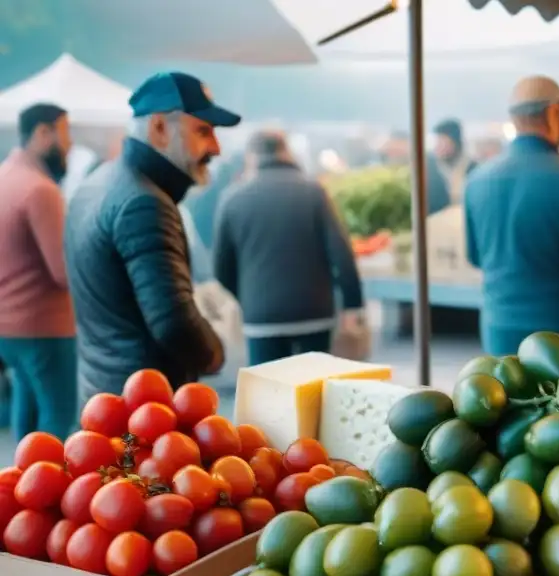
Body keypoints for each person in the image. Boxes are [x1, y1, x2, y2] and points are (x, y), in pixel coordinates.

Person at [65, 72, 233, 404]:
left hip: (105, 391)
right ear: (159, 128)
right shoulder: (144, 201)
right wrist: (215, 353)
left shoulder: (98, 182)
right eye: (203, 130)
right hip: (144, 404)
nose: (215, 147)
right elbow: (173, 322)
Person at [464, 76, 559, 355]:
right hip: (558, 334)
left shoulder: (477, 179)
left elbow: (475, 257)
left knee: (500, 397)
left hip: (498, 326)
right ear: (554, 113)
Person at [212, 130, 365, 365]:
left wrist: (246, 299)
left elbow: (222, 268)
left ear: (251, 157)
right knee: (315, 390)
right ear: (286, 151)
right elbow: (341, 254)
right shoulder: (314, 192)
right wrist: (353, 305)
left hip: (261, 318)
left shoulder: (233, 198)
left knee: (270, 390)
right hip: (314, 312)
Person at [0, 103, 77, 439]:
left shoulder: (5, 177)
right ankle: (46, 491)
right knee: (58, 417)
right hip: (45, 326)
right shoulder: (41, 189)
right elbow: (62, 272)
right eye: (66, 132)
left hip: (8, 325)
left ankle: (17, 484)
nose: (70, 144)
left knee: (26, 406)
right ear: (43, 132)